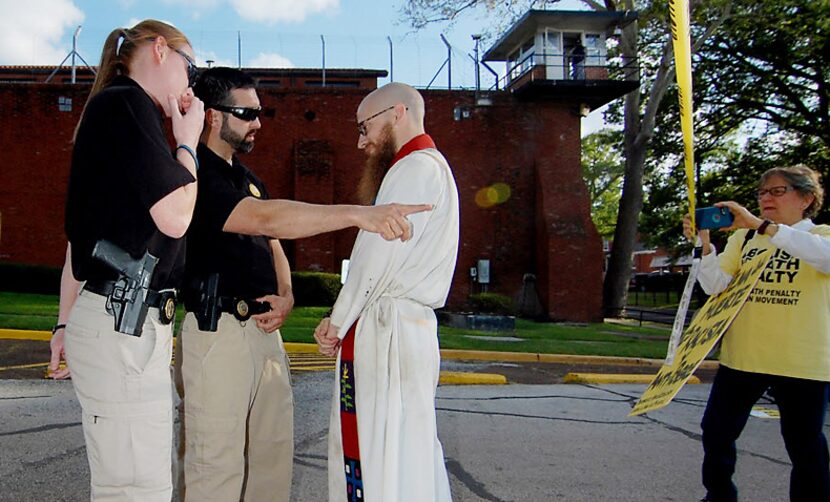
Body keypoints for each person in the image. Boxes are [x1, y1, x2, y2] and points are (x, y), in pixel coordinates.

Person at [178, 68, 433, 502]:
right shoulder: (195, 175)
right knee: (214, 467)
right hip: (216, 332)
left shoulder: (248, 179)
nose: (259, 121)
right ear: (213, 116)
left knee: (272, 462)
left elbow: (273, 242)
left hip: (265, 336)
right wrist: (359, 213)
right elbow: (265, 218)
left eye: (260, 112)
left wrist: (288, 295)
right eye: (247, 112)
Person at [48, 20, 204, 500]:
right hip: (122, 326)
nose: (191, 81)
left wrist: (63, 323)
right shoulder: (126, 104)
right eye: (190, 65)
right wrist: (188, 140)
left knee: (131, 483)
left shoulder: (116, 108)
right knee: (137, 488)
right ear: (160, 50)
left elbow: (82, 240)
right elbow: (177, 215)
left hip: (118, 322)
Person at [314, 82, 459, 502]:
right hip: (409, 327)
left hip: (386, 327)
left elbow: (375, 257)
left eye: (365, 127)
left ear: (398, 113)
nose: (362, 142)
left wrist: (338, 320)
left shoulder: (413, 168)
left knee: (373, 450)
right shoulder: (434, 167)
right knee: (407, 449)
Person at [682, 165, 830, 502]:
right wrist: (704, 245)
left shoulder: (821, 235)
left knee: (804, 444)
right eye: (762, 192)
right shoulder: (744, 238)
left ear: (806, 198)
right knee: (717, 432)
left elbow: (825, 260)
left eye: (777, 191)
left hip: (801, 361)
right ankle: (719, 496)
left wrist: (763, 226)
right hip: (744, 357)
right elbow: (716, 285)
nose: (766, 198)